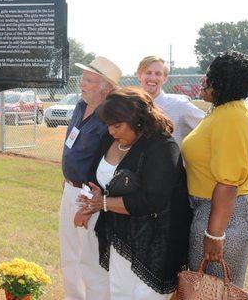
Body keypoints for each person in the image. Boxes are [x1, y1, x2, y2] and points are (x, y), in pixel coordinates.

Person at [77, 87, 191, 299]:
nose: (111, 131)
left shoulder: (162, 147)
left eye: (117, 125)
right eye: (109, 125)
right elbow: (97, 175)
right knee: (120, 293)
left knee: (144, 295)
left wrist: (101, 203)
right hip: (121, 237)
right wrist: (90, 203)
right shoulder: (110, 140)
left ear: (136, 119)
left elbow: (151, 200)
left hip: (155, 242)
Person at [181, 51, 248, 288]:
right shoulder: (220, 111)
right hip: (212, 209)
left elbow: (228, 182)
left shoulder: (232, 117)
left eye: (208, 76)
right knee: (206, 288)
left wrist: (215, 234)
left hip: (225, 213)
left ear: (221, 82)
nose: (202, 81)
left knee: (215, 289)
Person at [58, 56, 121, 300]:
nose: (82, 83)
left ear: (105, 88)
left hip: (91, 196)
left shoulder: (110, 118)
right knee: (69, 254)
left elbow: (104, 165)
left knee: (90, 258)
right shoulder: (80, 107)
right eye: (83, 78)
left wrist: (86, 201)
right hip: (70, 189)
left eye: (89, 80)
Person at [136, 56, 204, 146]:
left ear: (165, 78)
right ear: (139, 76)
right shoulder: (129, 104)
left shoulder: (179, 104)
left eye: (158, 74)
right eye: (148, 73)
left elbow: (208, 126)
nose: (152, 78)